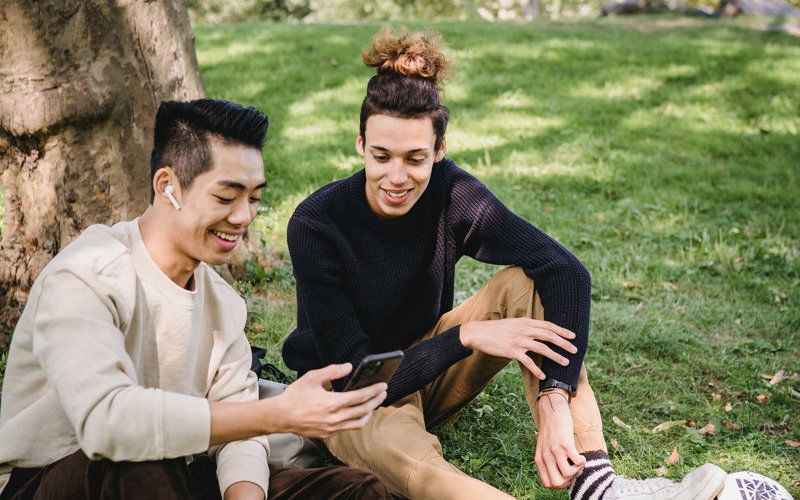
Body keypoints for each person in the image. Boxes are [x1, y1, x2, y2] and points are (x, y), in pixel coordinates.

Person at [282, 27, 728, 500]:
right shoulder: (317, 223)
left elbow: (564, 271)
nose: (397, 177)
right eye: (381, 156)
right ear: (359, 145)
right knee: (419, 468)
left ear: (439, 151)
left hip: (428, 369)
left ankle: (598, 484)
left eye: (416, 158)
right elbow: (359, 376)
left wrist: (555, 394)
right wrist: (466, 337)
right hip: (350, 400)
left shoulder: (451, 192)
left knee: (525, 284)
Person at [0, 99, 394, 500]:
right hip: (66, 481)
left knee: (356, 491)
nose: (244, 217)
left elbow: (242, 438)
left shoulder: (222, 302)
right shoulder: (88, 274)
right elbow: (108, 424)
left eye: (254, 198)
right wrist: (275, 413)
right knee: (140, 458)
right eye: (226, 197)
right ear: (167, 186)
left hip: (175, 479)